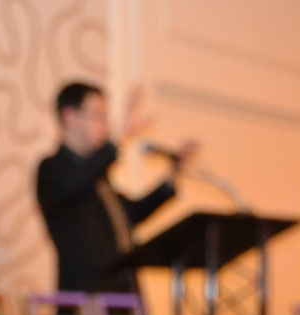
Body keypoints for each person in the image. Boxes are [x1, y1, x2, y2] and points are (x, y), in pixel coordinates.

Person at [36, 82, 196, 293]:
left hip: (124, 293)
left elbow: (131, 213)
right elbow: (77, 182)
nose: (105, 125)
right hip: (86, 300)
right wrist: (118, 140)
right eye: (98, 116)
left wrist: (172, 178)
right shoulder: (52, 169)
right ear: (69, 117)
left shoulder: (99, 178)